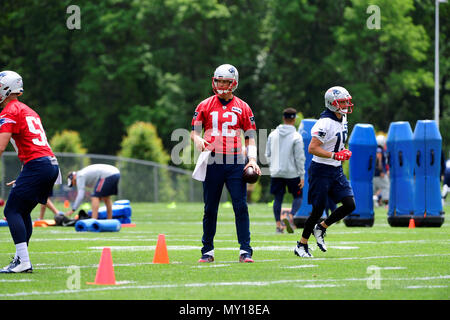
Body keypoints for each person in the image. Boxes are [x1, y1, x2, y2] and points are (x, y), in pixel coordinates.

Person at [191, 64, 261, 263]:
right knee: (210, 208)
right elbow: (195, 131)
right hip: (212, 160)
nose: (221, 84)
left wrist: (253, 160)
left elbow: (250, 137)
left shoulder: (243, 106)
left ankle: (245, 250)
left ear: (234, 83)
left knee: (240, 206)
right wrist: (197, 140)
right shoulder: (204, 105)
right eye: (219, 80)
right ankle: (207, 250)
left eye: (225, 81)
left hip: (235, 161)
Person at [0, 70, 60, 273]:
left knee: (11, 210)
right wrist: (24, 173)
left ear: (5, 88)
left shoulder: (9, 111)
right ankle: (20, 259)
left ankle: (23, 262)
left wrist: (29, 170)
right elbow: (32, 145)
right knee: (22, 210)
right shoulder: (29, 111)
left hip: (38, 165)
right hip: (48, 164)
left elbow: (1, 146)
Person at [294, 86, 356, 258]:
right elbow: (312, 148)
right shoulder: (324, 123)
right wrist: (336, 154)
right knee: (317, 209)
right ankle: (301, 245)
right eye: (341, 102)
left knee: (350, 205)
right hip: (320, 170)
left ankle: (321, 227)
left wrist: (343, 151)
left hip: (335, 170)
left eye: (346, 101)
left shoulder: (342, 118)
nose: (345, 105)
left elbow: (337, 142)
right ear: (332, 104)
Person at [265, 108, 305, 234]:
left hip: (276, 171)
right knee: (298, 196)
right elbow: (299, 157)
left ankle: (278, 226)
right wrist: (302, 175)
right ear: (294, 120)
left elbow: (267, 154)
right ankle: (290, 216)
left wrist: (273, 166)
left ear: (283, 118)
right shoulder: (296, 136)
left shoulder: (273, 134)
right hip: (292, 172)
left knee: (278, 198)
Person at [373, 135, 390, 207]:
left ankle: (375, 201)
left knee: (374, 189)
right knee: (386, 187)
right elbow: (378, 160)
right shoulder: (379, 150)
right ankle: (387, 204)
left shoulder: (376, 149)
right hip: (380, 173)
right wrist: (381, 170)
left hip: (375, 173)